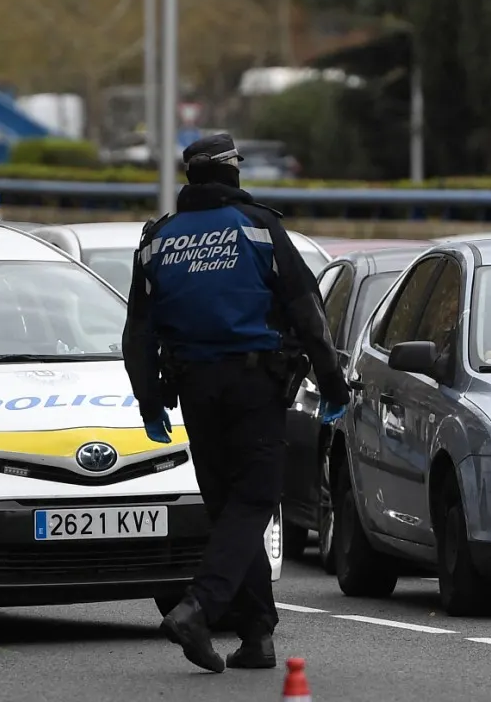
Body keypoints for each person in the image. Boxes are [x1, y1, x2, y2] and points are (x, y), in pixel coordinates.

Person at [123, 133, 350, 673]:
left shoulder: (158, 239)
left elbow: (137, 332)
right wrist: (333, 385)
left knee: (229, 509)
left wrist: (149, 399)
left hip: (194, 390)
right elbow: (308, 314)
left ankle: (256, 635)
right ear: (231, 173)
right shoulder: (260, 229)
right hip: (255, 386)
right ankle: (199, 608)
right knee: (255, 500)